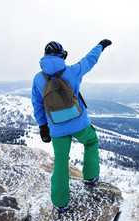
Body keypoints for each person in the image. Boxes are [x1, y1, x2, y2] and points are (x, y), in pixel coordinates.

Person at [31, 39, 112, 211]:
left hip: (56, 128)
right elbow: (89, 60)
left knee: (60, 161)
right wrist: (100, 46)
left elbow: (37, 105)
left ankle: (60, 203)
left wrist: (42, 126)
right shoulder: (72, 71)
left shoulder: (38, 79)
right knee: (91, 142)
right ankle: (90, 177)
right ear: (62, 55)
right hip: (79, 123)